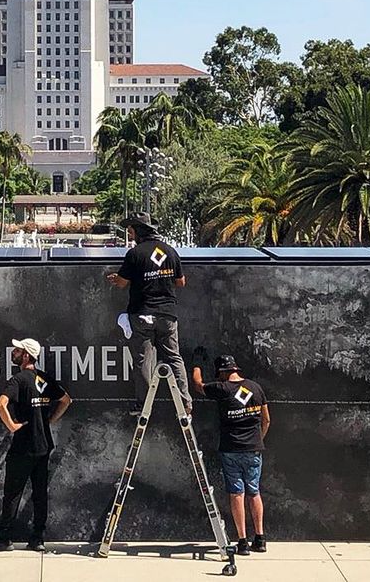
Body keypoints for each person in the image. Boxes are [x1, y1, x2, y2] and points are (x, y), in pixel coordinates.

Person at [0, 338, 72, 552]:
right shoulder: (44, 379)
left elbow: (0, 405)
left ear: (26, 356)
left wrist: (12, 426)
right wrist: (50, 420)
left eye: (18, 350)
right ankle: (38, 538)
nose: (14, 352)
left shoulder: (18, 380)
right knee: (40, 493)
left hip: (23, 446)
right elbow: (66, 400)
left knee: (13, 492)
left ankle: (4, 538)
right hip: (43, 445)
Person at [106, 212, 191, 414]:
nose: (130, 234)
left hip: (142, 313)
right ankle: (185, 402)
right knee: (174, 357)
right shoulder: (170, 251)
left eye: (131, 230)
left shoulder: (135, 254)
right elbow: (181, 282)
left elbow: (122, 283)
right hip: (167, 315)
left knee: (144, 360)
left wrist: (115, 279)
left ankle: (144, 404)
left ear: (138, 231)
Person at [192, 354, 270, 556]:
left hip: (231, 449)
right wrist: (257, 439)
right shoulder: (255, 387)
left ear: (222, 373)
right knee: (254, 492)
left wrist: (197, 364)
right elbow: (267, 420)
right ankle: (260, 539)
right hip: (254, 449)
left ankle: (242, 542)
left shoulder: (222, 389)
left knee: (237, 493)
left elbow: (198, 385)